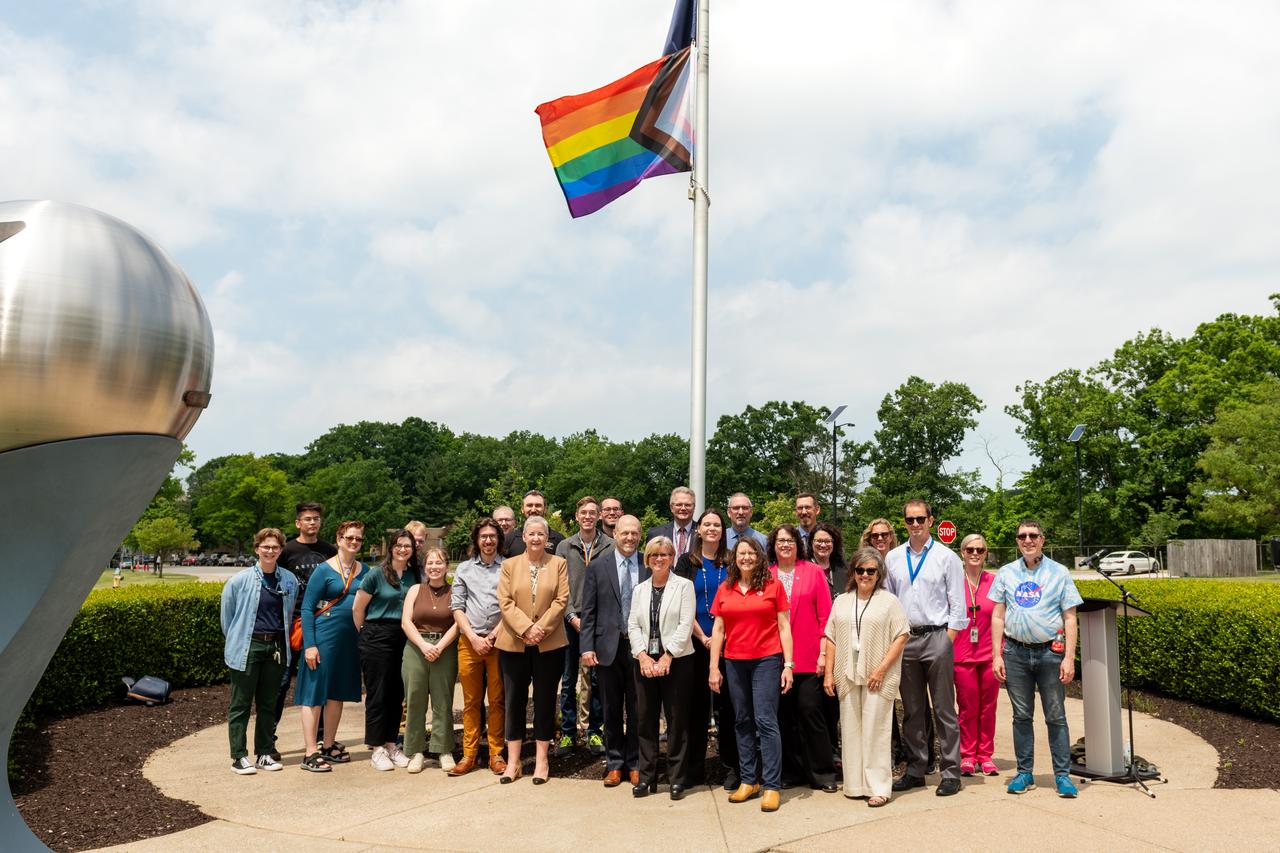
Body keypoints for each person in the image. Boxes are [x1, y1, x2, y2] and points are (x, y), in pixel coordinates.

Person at [990, 519, 1083, 798]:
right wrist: (997, 654)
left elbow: (1070, 617)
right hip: (1015, 654)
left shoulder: (1059, 572)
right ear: (1017, 540)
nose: (1027, 540)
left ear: (1042, 539)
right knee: (1021, 716)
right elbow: (997, 615)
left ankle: (1063, 776)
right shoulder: (1006, 573)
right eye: (1022, 536)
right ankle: (1024, 773)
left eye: (1033, 535)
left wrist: (1069, 657)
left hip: (1049, 654)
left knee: (1056, 716)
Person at [884, 500, 966, 797]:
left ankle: (951, 772)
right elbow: (890, 603)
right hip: (906, 639)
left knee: (944, 709)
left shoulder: (947, 557)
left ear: (931, 520)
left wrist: (948, 639)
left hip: (937, 638)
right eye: (910, 519)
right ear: (904, 522)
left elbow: (958, 604)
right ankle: (916, 769)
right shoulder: (892, 558)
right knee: (913, 711)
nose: (915, 524)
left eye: (920, 519)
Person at [709, 537, 794, 813]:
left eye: (750, 553)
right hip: (734, 662)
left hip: (766, 661)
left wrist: (788, 665)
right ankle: (749, 780)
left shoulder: (773, 586)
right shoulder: (726, 588)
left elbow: (784, 628)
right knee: (742, 720)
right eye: (741, 553)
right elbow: (719, 630)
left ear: (758, 557)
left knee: (766, 721)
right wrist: (713, 667)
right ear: (735, 558)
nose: (745, 557)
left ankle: (771, 785)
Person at [823, 547, 910, 806]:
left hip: (877, 675)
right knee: (850, 730)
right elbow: (831, 637)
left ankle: (879, 787)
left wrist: (882, 668)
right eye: (860, 570)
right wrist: (829, 673)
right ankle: (855, 784)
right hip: (848, 674)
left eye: (871, 570)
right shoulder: (842, 601)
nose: (865, 575)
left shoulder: (889, 601)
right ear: (853, 572)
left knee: (877, 731)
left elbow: (901, 636)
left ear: (879, 573)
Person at [496, 516, 569, 784]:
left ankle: (541, 761)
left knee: (545, 701)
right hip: (514, 644)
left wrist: (541, 630)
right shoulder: (508, 565)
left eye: (541, 534)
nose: (536, 538)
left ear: (546, 538)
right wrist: (526, 629)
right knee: (514, 701)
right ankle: (513, 762)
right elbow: (505, 602)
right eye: (532, 534)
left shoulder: (558, 564)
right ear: (523, 537)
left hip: (549, 645)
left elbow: (561, 601)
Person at [221, 528, 298, 774]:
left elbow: (288, 614)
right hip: (248, 646)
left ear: (281, 550)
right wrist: (237, 640)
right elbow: (228, 618)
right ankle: (239, 756)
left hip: (275, 647)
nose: (270, 551)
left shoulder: (288, 580)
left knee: (268, 703)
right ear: (257, 549)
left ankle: (264, 752)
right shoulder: (239, 581)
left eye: (275, 547)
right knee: (241, 703)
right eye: (265, 547)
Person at [296, 520, 370, 772]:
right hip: (323, 638)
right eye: (349, 537)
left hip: (349, 641)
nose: (353, 542)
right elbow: (307, 608)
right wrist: (310, 645)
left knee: (336, 694)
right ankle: (309, 752)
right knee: (315, 694)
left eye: (358, 539)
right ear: (339, 539)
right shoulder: (323, 570)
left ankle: (328, 745)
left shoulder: (365, 570)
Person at [673, 507, 739, 790]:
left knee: (729, 709)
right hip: (695, 644)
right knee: (695, 707)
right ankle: (693, 769)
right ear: (698, 530)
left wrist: (720, 640)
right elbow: (681, 605)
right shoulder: (687, 562)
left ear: (723, 531)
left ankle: (731, 766)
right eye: (707, 524)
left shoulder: (733, 562)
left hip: (730, 644)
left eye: (717, 525)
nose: (712, 529)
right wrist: (703, 638)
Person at [862, 516, 934, 770]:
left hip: (906, 636)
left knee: (916, 700)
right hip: (878, 638)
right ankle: (894, 751)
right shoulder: (864, 563)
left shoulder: (904, 559)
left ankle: (925, 754)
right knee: (883, 699)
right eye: (875, 536)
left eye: (884, 535)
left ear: (892, 536)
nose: (880, 539)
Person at [768, 524, 836, 791]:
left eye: (790, 540)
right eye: (780, 541)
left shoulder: (814, 572)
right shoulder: (767, 575)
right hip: (775, 658)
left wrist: (823, 653)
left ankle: (822, 773)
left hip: (809, 658)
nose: (785, 545)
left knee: (811, 713)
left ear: (798, 545)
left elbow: (826, 617)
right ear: (773, 546)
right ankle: (792, 772)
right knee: (784, 717)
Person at [627, 536, 696, 799]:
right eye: (654, 555)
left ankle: (677, 779)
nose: (659, 559)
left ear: (672, 557)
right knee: (645, 720)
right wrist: (642, 656)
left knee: (677, 721)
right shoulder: (640, 590)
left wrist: (668, 656)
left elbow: (685, 624)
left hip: (677, 662)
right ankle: (647, 777)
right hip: (644, 664)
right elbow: (633, 625)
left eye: (664, 554)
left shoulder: (684, 586)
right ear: (648, 559)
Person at [580, 514, 645, 787]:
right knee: (611, 709)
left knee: (639, 708)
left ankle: (636, 763)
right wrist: (587, 647)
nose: (629, 538)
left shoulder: (648, 565)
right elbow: (589, 611)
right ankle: (615, 763)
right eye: (624, 533)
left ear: (640, 535)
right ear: (615, 534)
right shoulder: (597, 567)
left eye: (634, 533)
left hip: (641, 648)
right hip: (608, 648)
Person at [353, 527, 420, 771]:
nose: (403, 549)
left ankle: (392, 744)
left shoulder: (414, 574)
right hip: (376, 636)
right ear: (391, 547)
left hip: (404, 636)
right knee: (378, 693)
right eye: (399, 545)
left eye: (408, 546)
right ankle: (377, 747)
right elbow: (358, 609)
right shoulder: (375, 575)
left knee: (396, 694)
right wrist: (365, 634)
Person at [274, 502, 338, 745]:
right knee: (281, 684)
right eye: (308, 519)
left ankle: (321, 738)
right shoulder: (287, 551)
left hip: (322, 624)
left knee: (319, 682)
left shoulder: (329, 551)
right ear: (298, 523)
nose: (312, 522)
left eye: (316, 519)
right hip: (292, 623)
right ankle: (268, 739)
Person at [449, 517, 507, 776]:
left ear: (498, 539)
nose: (488, 540)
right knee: (471, 702)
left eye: (492, 536)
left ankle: (496, 753)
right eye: (483, 536)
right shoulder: (463, 569)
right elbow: (457, 607)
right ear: (476, 539)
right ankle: (469, 754)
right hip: (469, 642)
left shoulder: (508, 567)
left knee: (497, 700)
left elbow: (511, 607)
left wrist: (493, 636)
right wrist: (472, 637)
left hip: (500, 642)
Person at [556, 496, 611, 756]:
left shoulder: (610, 545)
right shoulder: (565, 547)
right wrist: (571, 617)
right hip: (570, 621)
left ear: (599, 516)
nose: (588, 516)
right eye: (583, 513)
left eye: (592, 512)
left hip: (598, 622)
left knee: (597, 679)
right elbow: (559, 588)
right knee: (568, 680)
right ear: (576, 516)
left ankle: (594, 732)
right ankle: (567, 733)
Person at [401, 545, 459, 773]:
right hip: (416, 647)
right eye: (430, 563)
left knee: (442, 700)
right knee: (414, 699)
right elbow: (406, 621)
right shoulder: (415, 589)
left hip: (445, 648)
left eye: (439, 563)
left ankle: (443, 749)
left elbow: (458, 622)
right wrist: (424, 645)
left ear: (446, 566)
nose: (434, 567)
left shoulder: (455, 591)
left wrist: (440, 645)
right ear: (425, 567)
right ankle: (416, 751)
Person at [954, 533, 999, 777]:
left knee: (988, 707)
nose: (974, 553)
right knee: (968, 707)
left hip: (990, 654)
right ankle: (968, 755)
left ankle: (986, 755)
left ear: (985, 554)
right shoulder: (954, 581)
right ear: (962, 552)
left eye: (980, 550)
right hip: (961, 654)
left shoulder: (995, 581)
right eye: (970, 549)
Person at [503, 489, 566, 557]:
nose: (533, 510)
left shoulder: (559, 540)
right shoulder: (509, 539)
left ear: (545, 509)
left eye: (538, 505)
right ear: (522, 509)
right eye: (529, 505)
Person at [646, 486, 697, 555]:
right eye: (679, 505)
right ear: (671, 507)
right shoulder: (655, 534)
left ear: (694, 507)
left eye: (687, 505)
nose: (683, 508)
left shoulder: (703, 533)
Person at [810, 522, 848, 601]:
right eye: (819, 541)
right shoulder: (804, 567)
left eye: (827, 541)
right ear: (811, 542)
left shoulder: (844, 566)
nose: (823, 545)